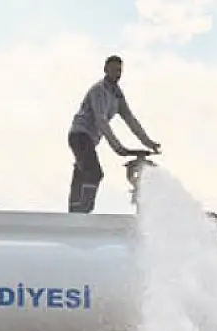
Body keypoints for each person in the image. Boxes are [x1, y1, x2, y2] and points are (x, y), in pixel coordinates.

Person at [67, 55, 159, 213]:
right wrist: (118, 147)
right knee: (94, 172)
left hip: (90, 138)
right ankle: (83, 210)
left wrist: (148, 142)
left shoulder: (117, 95)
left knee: (82, 172)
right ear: (105, 70)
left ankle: (75, 209)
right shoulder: (99, 90)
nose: (117, 73)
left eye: (119, 71)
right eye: (113, 70)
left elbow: (130, 119)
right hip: (80, 135)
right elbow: (101, 121)